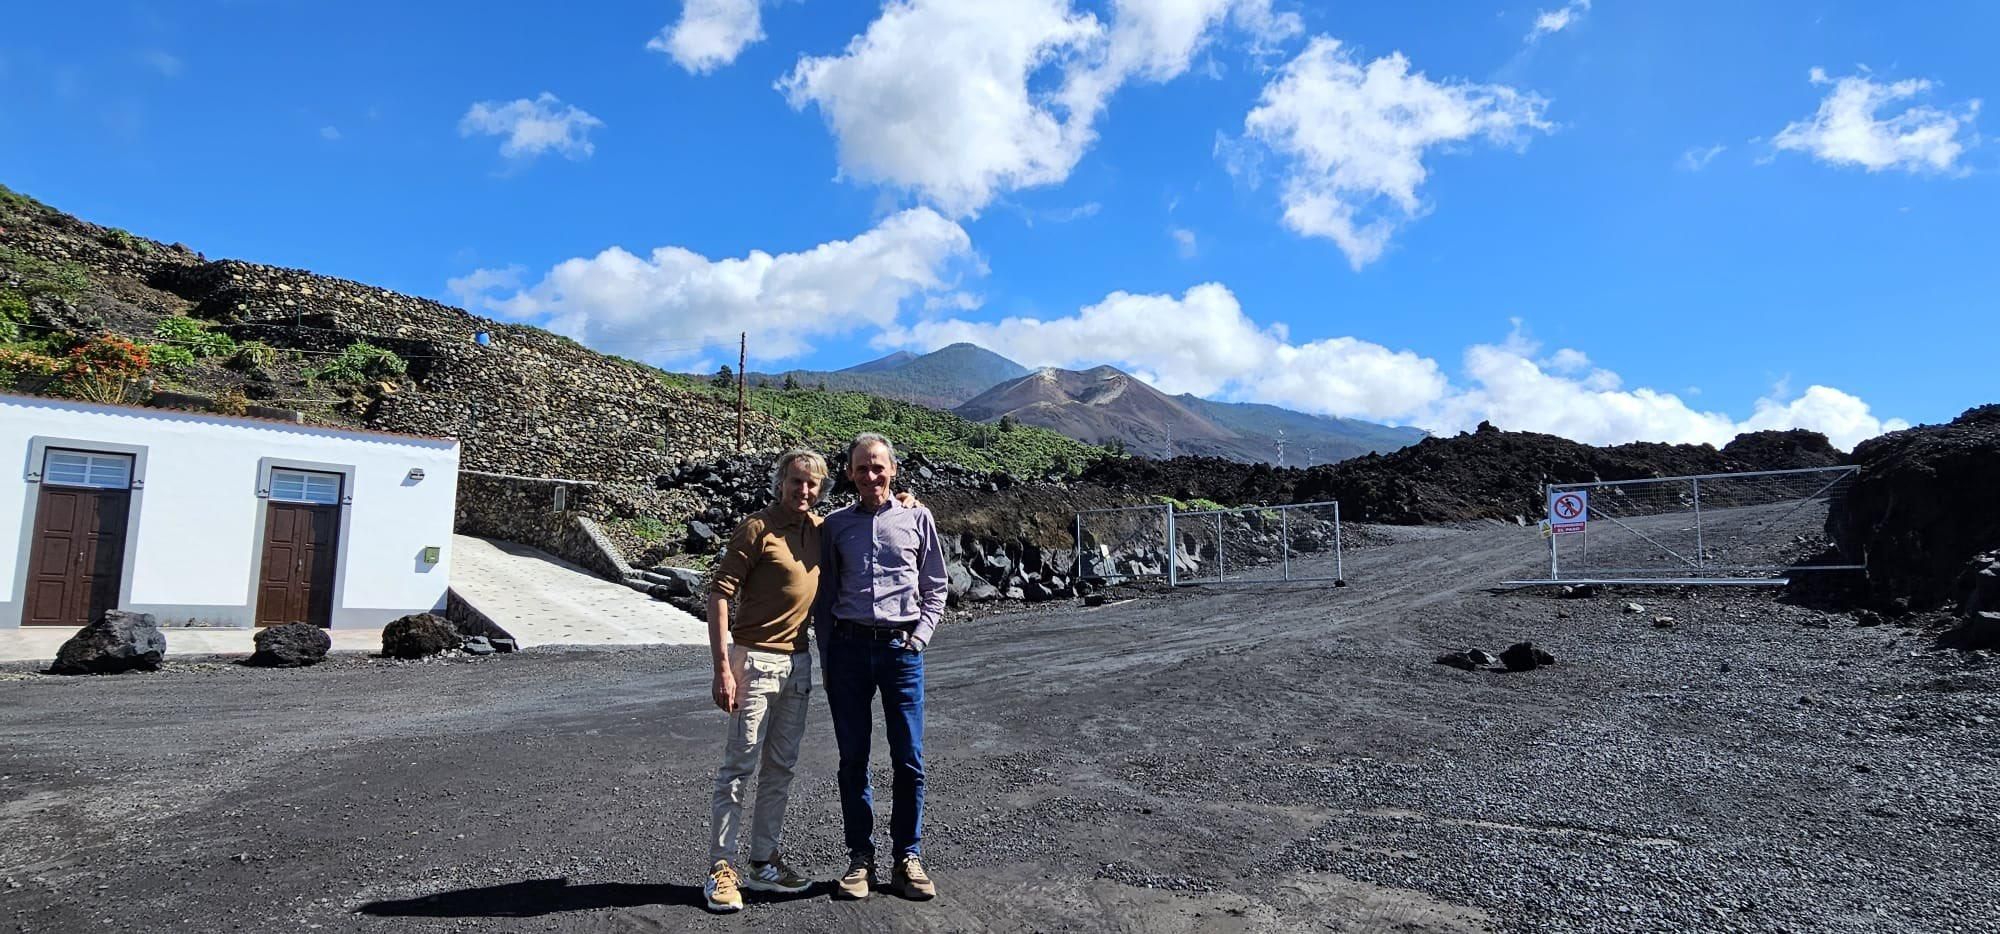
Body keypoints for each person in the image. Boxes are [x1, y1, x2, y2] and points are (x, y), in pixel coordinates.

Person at [815, 433, 948, 901]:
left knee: (908, 758)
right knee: (853, 760)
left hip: (900, 652)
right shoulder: (834, 526)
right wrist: (827, 656)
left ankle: (907, 857)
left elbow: (936, 583)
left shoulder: (917, 516)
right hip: (848, 651)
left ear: (893, 470)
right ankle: (860, 859)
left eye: (878, 467)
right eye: (861, 468)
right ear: (848, 473)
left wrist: (920, 637)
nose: (870, 476)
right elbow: (825, 595)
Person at [700, 448, 828, 913]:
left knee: (781, 768)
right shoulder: (756, 527)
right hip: (752, 660)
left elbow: (868, 515)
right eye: (797, 481)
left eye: (813, 484)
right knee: (738, 767)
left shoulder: (819, 529)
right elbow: (719, 595)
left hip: (798, 663)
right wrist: (721, 668)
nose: (804, 490)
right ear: (781, 482)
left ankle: (763, 861)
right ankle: (721, 867)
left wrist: (906, 498)